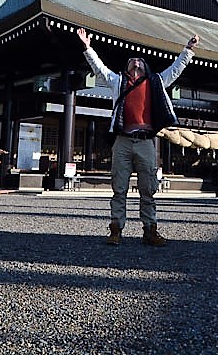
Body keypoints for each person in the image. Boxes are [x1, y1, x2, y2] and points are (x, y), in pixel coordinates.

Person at [77, 26, 199, 247]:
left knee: (148, 187)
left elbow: (174, 70)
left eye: (140, 61)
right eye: (132, 60)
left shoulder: (156, 82)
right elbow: (100, 70)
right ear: (127, 66)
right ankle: (115, 229)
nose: (136, 62)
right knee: (119, 187)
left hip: (145, 141)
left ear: (145, 67)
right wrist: (88, 48)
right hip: (123, 140)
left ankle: (150, 230)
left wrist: (187, 51)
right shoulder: (118, 82)